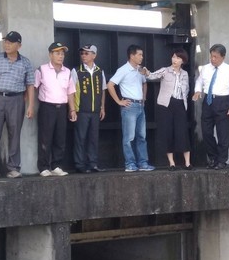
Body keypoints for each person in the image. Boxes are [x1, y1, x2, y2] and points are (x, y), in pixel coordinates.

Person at [0, 31, 35, 180]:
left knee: (15, 135)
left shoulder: (25, 62)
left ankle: (13, 168)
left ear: (19, 45)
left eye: (10, 42)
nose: (7, 44)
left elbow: (30, 85)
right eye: (6, 42)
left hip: (16, 100)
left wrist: (30, 106)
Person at [107, 44, 155, 172]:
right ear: (131, 55)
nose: (141, 57)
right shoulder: (123, 70)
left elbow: (145, 83)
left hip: (140, 105)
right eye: (139, 54)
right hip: (129, 106)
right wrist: (119, 101)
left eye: (142, 55)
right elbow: (110, 85)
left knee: (141, 136)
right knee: (129, 137)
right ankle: (130, 164)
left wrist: (143, 98)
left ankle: (143, 163)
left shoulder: (141, 70)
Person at [143, 48, 193, 171]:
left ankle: (187, 162)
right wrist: (146, 72)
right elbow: (152, 76)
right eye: (173, 57)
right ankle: (171, 163)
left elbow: (186, 90)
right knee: (167, 132)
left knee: (182, 132)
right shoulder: (165, 71)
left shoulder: (185, 74)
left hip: (180, 103)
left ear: (183, 61)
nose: (175, 59)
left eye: (178, 58)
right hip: (166, 104)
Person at [192, 44, 229, 170]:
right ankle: (213, 158)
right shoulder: (206, 69)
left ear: (223, 57)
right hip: (208, 101)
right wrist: (197, 90)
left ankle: (222, 160)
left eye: (215, 57)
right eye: (211, 56)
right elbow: (199, 81)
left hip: (223, 102)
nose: (213, 59)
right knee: (206, 132)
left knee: (223, 134)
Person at [35, 41, 77, 177]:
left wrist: (72, 110)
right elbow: (33, 88)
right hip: (47, 107)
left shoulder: (67, 72)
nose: (61, 56)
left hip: (62, 108)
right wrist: (30, 106)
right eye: (57, 53)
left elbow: (70, 92)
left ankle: (56, 165)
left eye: (62, 54)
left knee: (60, 138)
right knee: (45, 138)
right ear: (50, 55)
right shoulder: (41, 70)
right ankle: (43, 167)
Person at [72, 44, 107, 173]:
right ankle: (80, 164)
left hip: (95, 110)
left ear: (94, 55)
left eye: (87, 53)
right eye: (82, 53)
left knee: (93, 138)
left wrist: (102, 107)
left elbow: (103, 90)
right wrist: (73, 109)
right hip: (81, 110)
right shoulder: (76, 71)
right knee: (80, 138)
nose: (83, 56)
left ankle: (93, 163)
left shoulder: (99, 71)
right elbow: (71, 91)